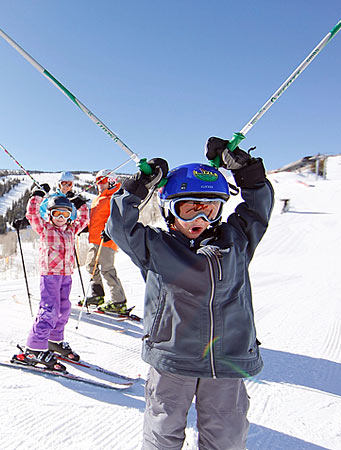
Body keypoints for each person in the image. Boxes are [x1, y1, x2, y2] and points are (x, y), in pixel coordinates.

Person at [105, 137, 274, 450]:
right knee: (162, 434)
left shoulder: (235, 242)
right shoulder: (155, 246)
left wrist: (246, 170)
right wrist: (139, 187)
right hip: (172, 359)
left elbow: (257, 208)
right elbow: (120, 226)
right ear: (170, 211)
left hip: (226, 361)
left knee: (226, 438)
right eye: (190, 210)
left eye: (210, 209)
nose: (201, 219)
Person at [11, 183, 89, 372]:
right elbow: (32, 214)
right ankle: (34, 348)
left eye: (65, 214)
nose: (61, 218)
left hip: (66, 275)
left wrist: (81, 205)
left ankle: (54, 340)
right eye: (57, 214)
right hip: (50, 276)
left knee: (64, 309)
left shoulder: (71, 230)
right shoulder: (45, 228)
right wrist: (37, 195)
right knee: (50, 310)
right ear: (50, 215)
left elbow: (84, 219)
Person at [83, 169, 127, 313]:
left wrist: (110, 231)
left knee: (107, 270)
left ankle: (118, 301)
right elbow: (97, 219)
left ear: (111, 181)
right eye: (97, 181)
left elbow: (118, 219)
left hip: (106, 240)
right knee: (91, 266)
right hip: (94, 239)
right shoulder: (98, 199)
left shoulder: (114, 198)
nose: (99, 184)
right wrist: (86, 227)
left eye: (102, 181)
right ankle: (97, 295)